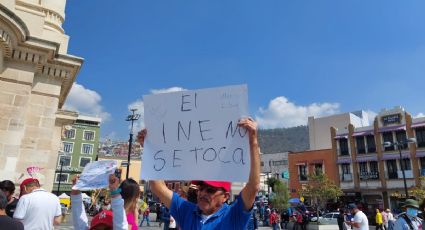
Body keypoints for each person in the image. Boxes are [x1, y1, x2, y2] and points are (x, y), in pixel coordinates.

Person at [139, 117, 260, 229]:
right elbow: (157, 186)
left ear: (225, 197)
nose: (202, 193)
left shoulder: (234, 215)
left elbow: (253, 187)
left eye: (211, 190)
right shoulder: (185, 210)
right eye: (201, 188)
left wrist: (253, 142)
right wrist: (149, 147)